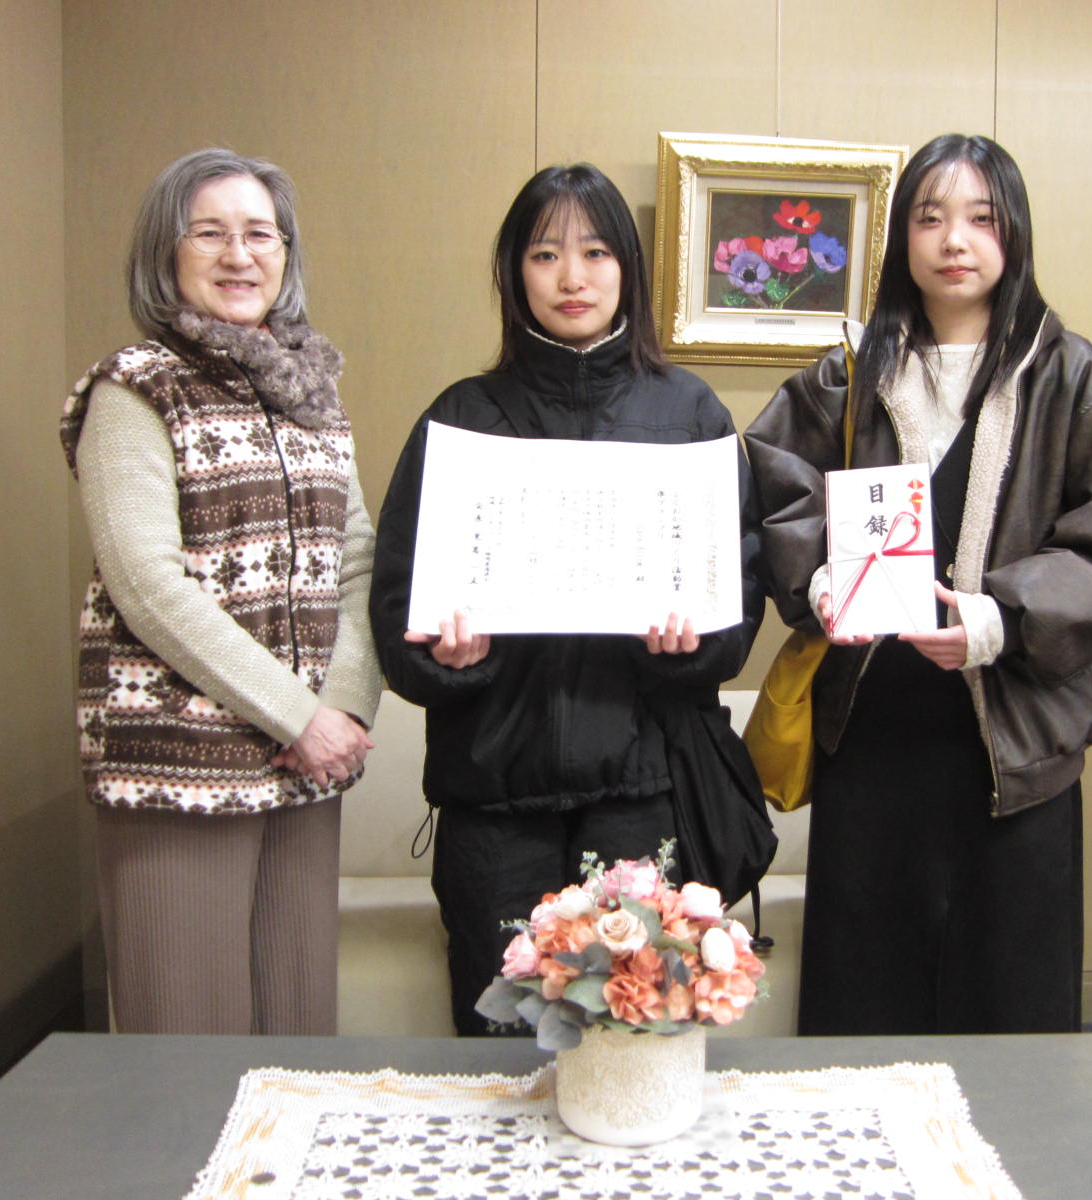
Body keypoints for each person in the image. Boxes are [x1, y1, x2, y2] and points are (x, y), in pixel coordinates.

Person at [745, 134, 1092, 1036]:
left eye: (982, 218)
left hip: (1015, 738)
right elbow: (773, 486)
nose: (954, 240)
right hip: (872, 727)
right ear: (901, 238)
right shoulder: (849, 374)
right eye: (930, 217)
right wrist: (820, 581)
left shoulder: (1076, 382)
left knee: (1009, 998)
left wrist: (1001, 617)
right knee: (865, 996)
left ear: (1015, 234)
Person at [369, 164, 762, 1036]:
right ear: (515, 273)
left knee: (636, 1039)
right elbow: (396, 617)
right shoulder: (461, 419)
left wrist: (690, 646)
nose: (572, 277)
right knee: (500, 1048)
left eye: (595, 253)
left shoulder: (689, 414)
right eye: (545, 254)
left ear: (628, 268)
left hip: (643, 792)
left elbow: (739, 606)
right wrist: (448, 658)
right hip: (493, 802)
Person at [60, 148, 380, 1036]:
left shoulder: (312, 394)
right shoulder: (135, 387)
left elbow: (358, 559)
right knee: (187, 1044)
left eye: (260, 235)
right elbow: (145, 583)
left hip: (307, 768)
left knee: (296, 1033)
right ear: (166, 254)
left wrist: (344, 707)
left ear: (286, 255)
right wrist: (298, 716)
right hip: (178, 766)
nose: (239, 255)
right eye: (209, 234)